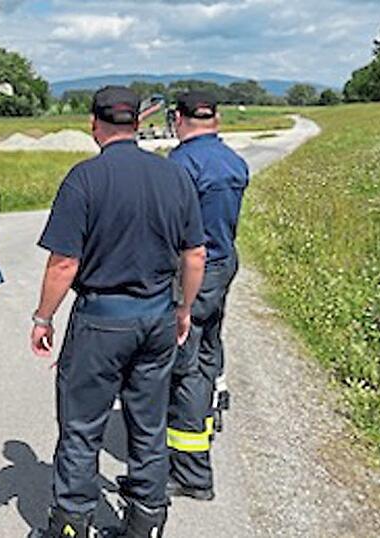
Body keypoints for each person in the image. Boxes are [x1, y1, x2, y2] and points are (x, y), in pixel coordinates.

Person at [29, 86, 206, 538]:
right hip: (157, 315)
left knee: (82, 424)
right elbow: (195, 255)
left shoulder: (85, 178)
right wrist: (183, 307)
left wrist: (43, 317)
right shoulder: (174, 176)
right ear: (138, 123)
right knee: (148, 425)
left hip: (102, 319)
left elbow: (64, 263)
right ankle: (145, 522)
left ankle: (71, 522)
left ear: (95, 123)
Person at [165, 91, 249, 501]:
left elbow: (173, 230)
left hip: (195, 271)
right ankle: (211, 417)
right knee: (211, 346)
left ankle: (191, 470)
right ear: (215, 118)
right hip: (224, 262)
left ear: (179, 119)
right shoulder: (233, 160)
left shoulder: (181, 163)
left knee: (186, 367)